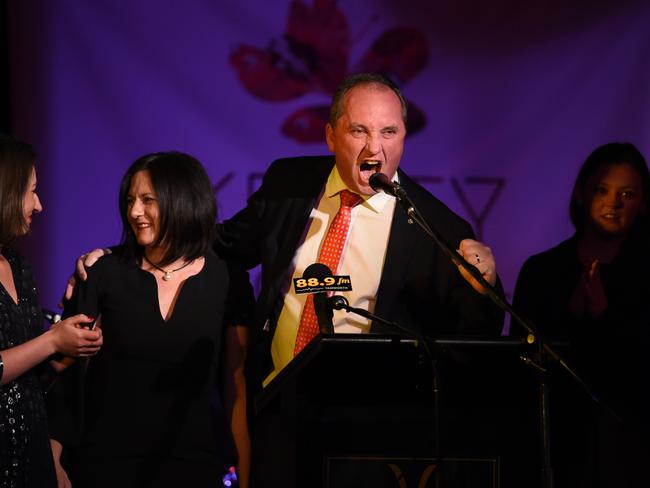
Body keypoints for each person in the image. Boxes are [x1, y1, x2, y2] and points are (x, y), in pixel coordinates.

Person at [48, 152, 253, 488]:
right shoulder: (102, 273)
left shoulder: (227, 280)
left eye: (147, 200)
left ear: (182, 200)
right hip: (104, 465)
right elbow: (65, 378)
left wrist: (246, 475)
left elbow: (237, 388)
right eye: (130, 201)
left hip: (193, 467)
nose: (134, 212)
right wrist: (54, 459)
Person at [513, 142, 650, 487]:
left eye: (628, 194)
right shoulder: (542, 270)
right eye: (602, 190)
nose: (613, 203)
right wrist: (569, 318)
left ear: (643, 203)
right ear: (580, 193)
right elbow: (519, 361)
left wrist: (605, 316)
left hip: (632, 450)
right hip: (557, 447)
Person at [0, 135, 103, 488]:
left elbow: (31, 372)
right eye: (31, 191)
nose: (39, 204)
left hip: (33, 462)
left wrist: (71, 346)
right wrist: (52, 342)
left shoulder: (18, 266)